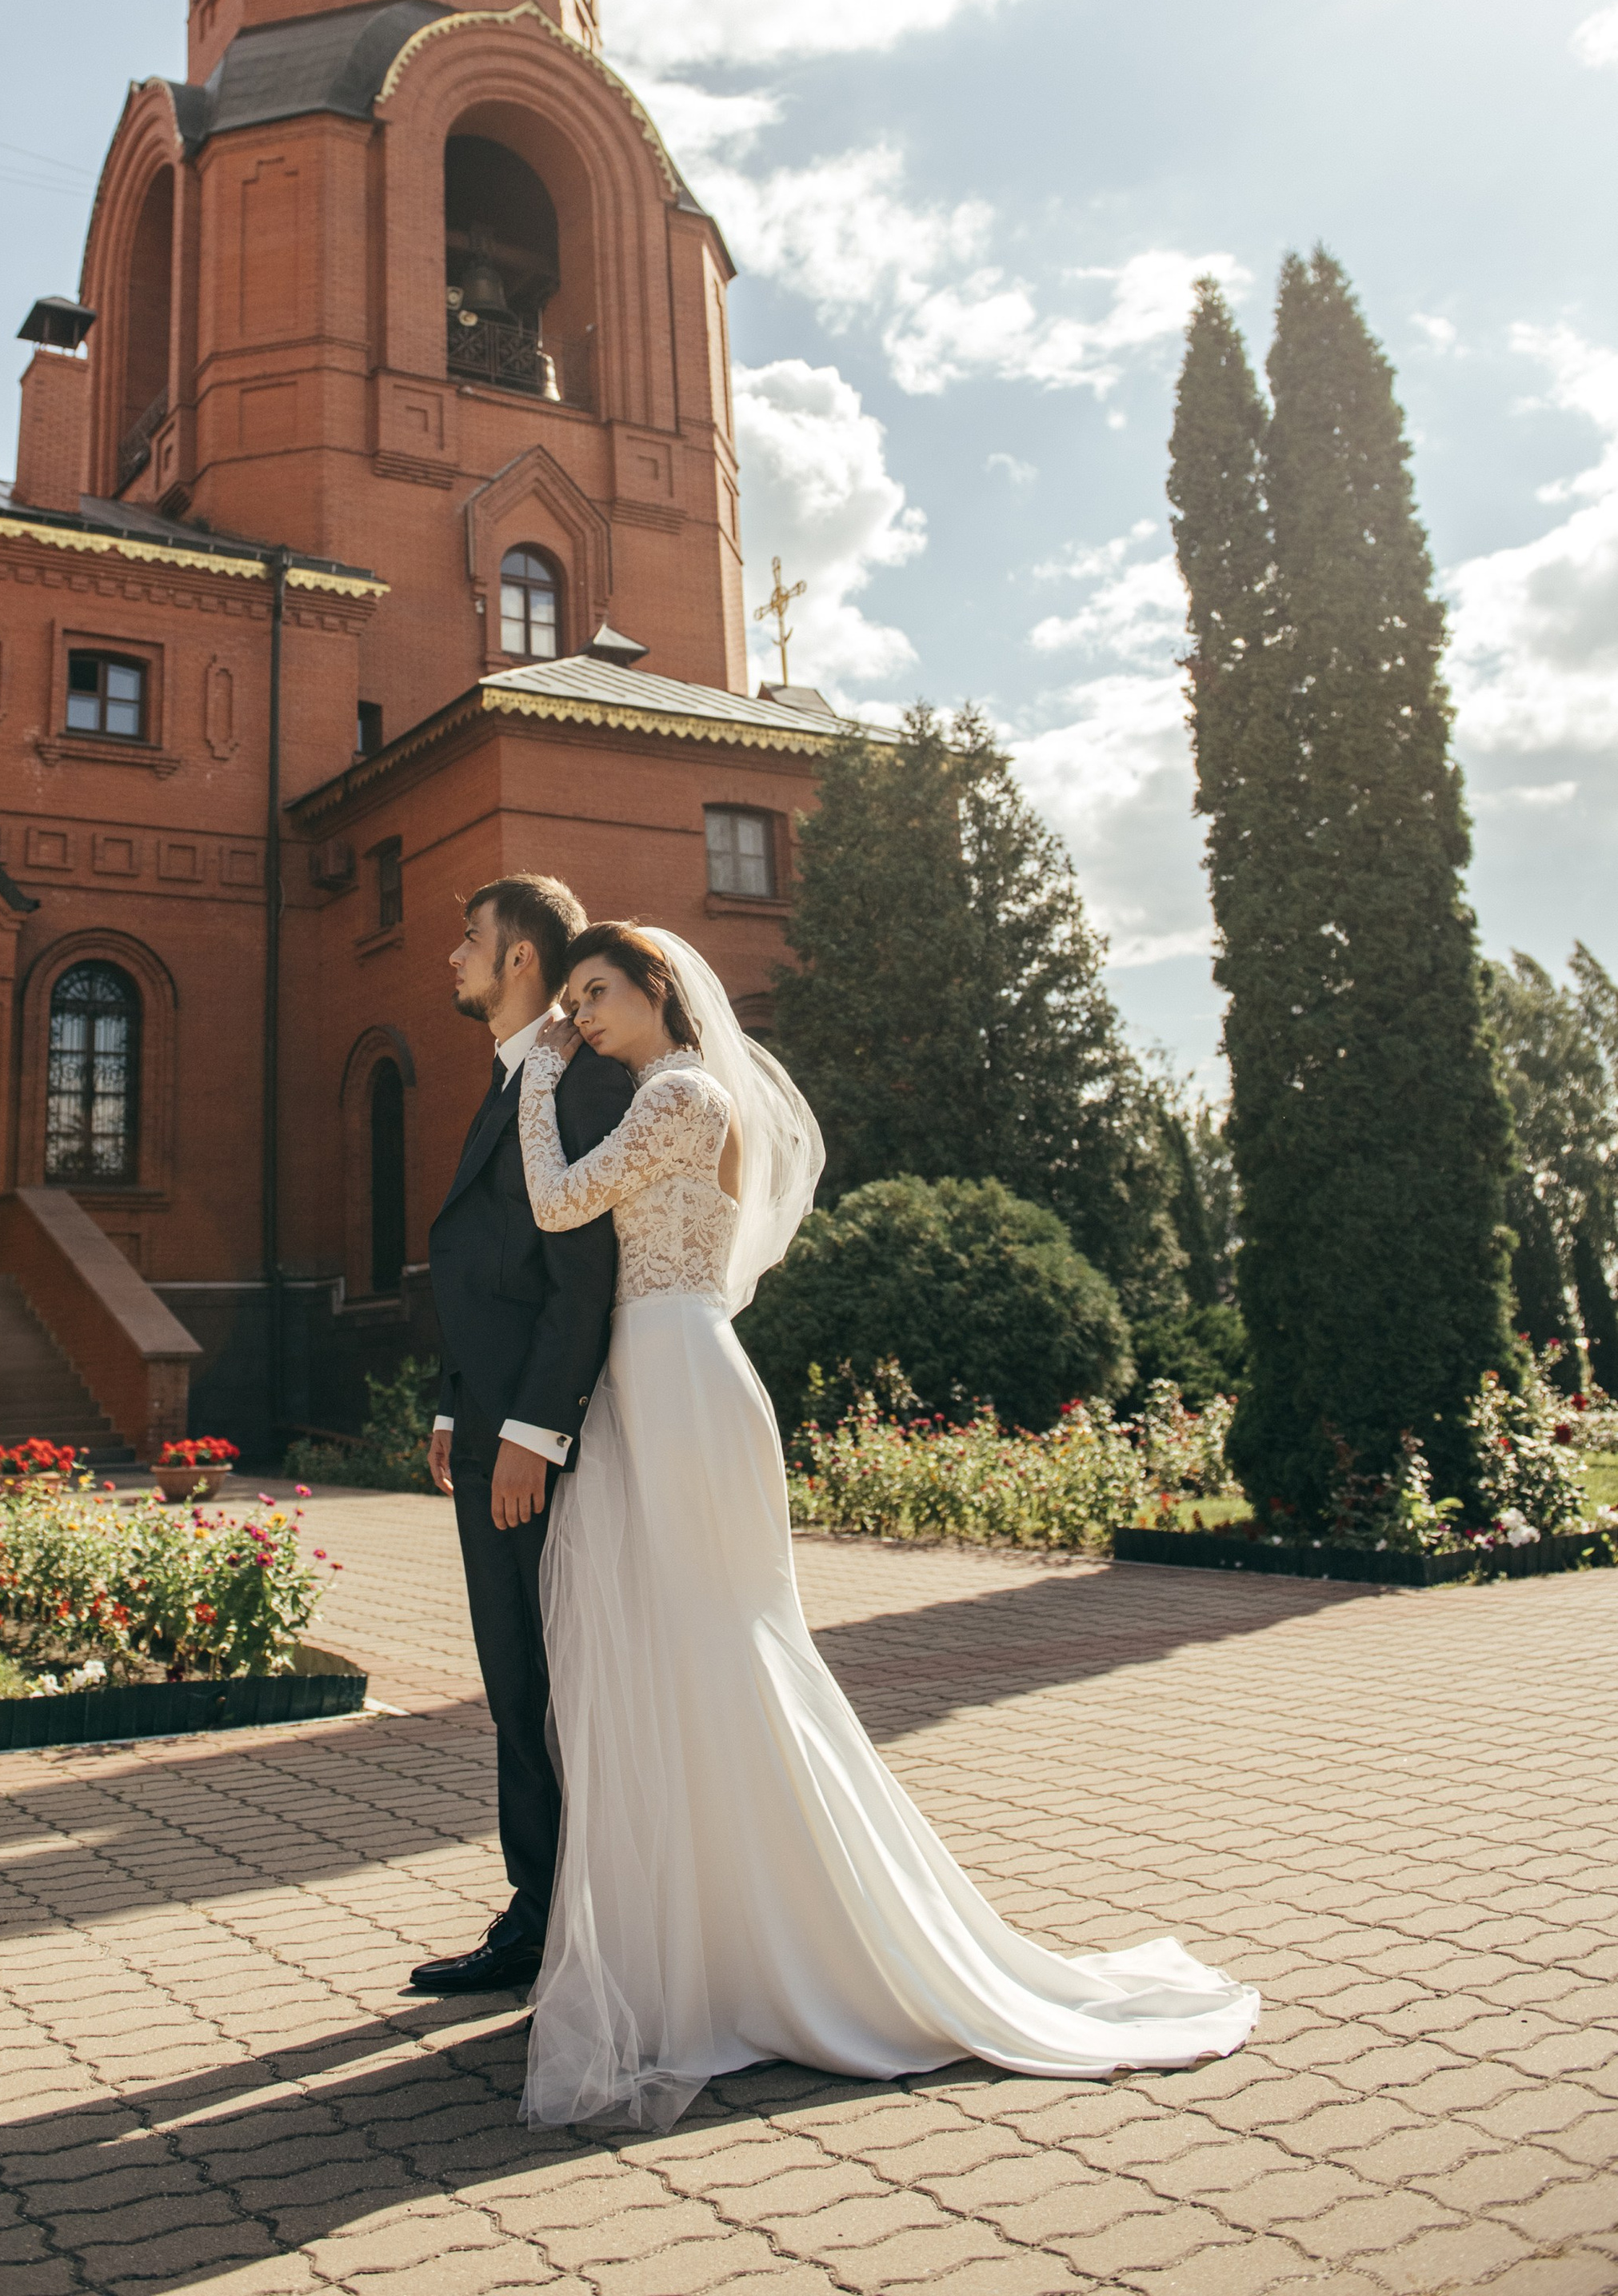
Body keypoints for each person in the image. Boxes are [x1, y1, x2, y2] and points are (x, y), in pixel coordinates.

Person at [513, 920, 1261, 2130]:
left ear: (658, 987)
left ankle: (789, 1945)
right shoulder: (676, 1091)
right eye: (573, 1000)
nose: (583, 1013)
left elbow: (558, 1204)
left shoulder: (681, 1096)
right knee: (691, 1650)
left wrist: (540, 1076)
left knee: (715, 1648)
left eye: (597, 992)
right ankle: (721, 1939)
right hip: (664, 1371)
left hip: (678, 1377)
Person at [405, 874, 636, 1999]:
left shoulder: (576, 1083)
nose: (452, 956)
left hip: (533, 1443)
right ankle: (542, 1903)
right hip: (491, 1419)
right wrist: (458, 1401)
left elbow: (577, 1273)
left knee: (536, 1677)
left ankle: (550, 1916)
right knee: (515, 1677)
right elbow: (487, 1263)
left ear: (518, 964)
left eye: (468, 938)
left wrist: (532, 1432)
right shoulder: (518, 1074)